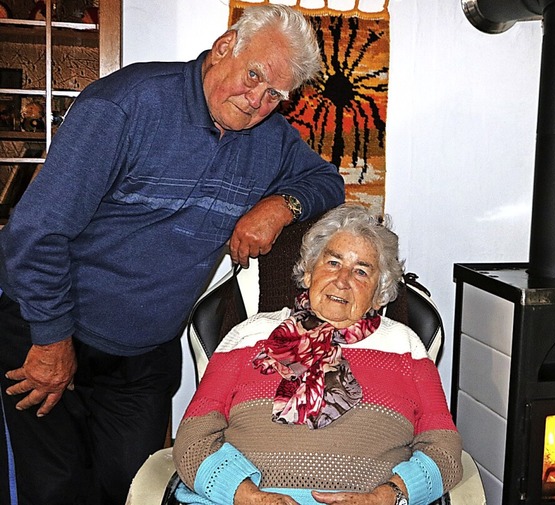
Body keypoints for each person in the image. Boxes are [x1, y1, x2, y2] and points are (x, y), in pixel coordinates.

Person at [0, 5, 344, 505]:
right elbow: (36, 231)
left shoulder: (270, 139)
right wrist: (52, 339)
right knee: (54, 492)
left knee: (136, 488)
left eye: (276, 94)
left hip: (144, 352)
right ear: (226, 46)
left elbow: (326, 180)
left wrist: (277, 206)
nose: (257, 101)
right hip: (50, 332)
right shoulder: (126, 105)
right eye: (254, 76)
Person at [172, 204, 463, 505]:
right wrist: (248, 496)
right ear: (309, 273)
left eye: (361, 271)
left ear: (379, 294)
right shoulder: (248, 334)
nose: (343, 280)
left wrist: (383, 497)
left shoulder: (405, 346)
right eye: (333, 262)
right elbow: (194, 438)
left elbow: (443, 451)